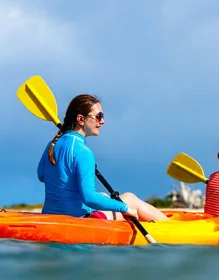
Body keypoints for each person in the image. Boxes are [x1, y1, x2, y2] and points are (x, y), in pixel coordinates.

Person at [37, 94, 169, 222]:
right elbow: (89, 197)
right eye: (98, 116)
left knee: (105, 196)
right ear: (81, 119)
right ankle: (171, 227)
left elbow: (41, 175)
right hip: (80, 220)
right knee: (130, 198)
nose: (103, 121)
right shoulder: (83, 152)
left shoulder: (53, 144)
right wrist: (125, 208)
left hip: (51, 215)